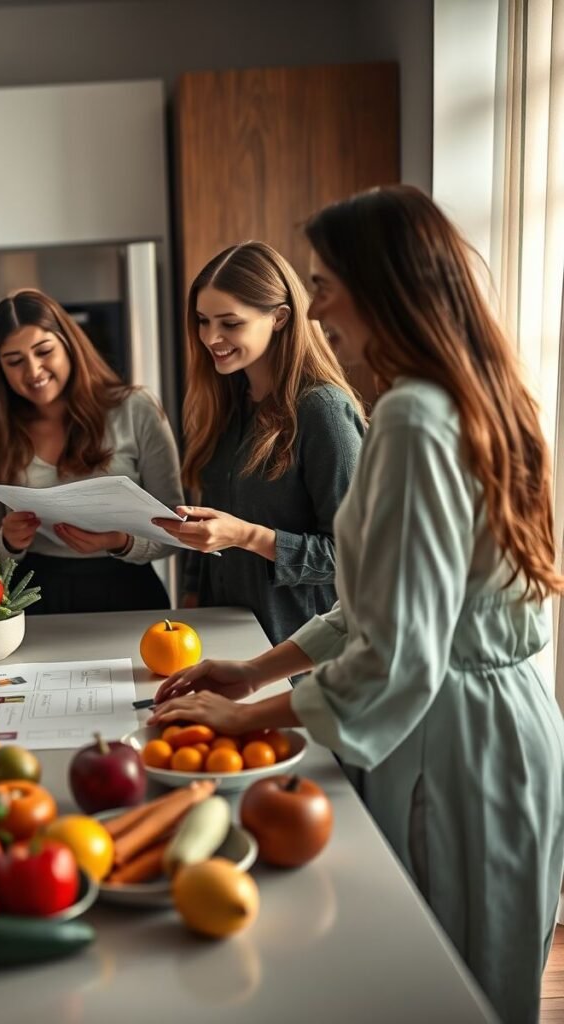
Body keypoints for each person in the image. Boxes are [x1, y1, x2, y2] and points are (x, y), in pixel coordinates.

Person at [149, 186, 564, 1024]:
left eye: (326, 283)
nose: (317, 305)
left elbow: (399, 648)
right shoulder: (471, 394)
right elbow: (379, 601)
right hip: (498, 723)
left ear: (383, 287)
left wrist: (252, 718)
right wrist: (254, 671)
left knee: (451, 992)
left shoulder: (410, 414)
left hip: (456, 741)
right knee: (480, 985)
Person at [153, 241, 364, 647]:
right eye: (202, 320)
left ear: (280, 318)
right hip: (223, 642)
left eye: (230, 323)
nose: (211, 337)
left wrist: (247, 536)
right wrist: (192, 607)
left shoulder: (323, 411)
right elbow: (209, 527)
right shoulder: (225, 405)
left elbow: (355, 556)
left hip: (303, 652)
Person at [0, 289, 183, 613]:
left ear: (69, 346)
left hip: (129, 590)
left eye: (44, 351)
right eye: (14, 361)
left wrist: (119, 541)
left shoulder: (136, 408)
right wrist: (8, 540)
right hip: (32, 597)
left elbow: (177, 530)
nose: (33, 371)